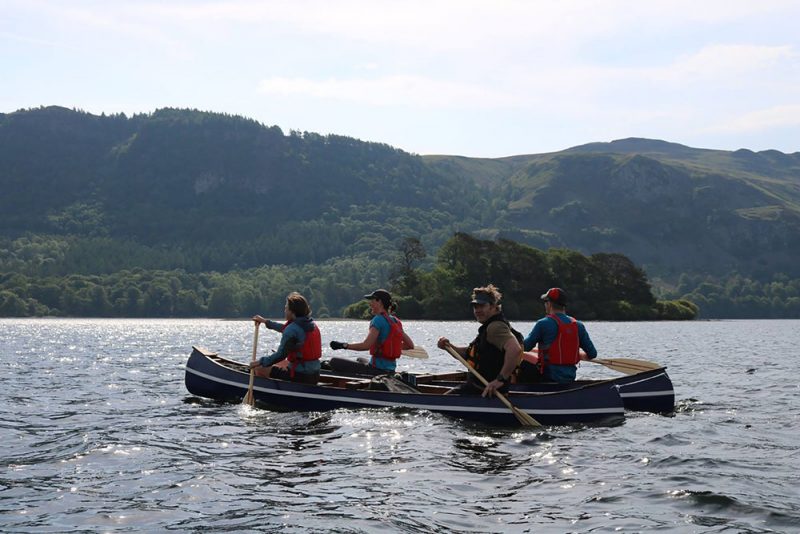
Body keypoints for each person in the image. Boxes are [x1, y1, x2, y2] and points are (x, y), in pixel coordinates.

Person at [436, 284, 524, 397]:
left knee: (434, 410)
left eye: (482, 306)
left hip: (485, 392)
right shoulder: (490, 326)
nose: (477, 310)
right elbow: (469, 355)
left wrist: (500, 380)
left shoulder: (495, 327)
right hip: (478, 390)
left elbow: (515, 350)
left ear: (493, 306)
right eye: (475, 307)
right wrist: (449, 347)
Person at [519, 287, 597, 384]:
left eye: (545, 302)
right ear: (564, 305)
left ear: (549, 304)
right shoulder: (578, 326)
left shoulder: (543, 323)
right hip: (569, 378)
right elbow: (592, 354)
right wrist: (576, 354)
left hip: (547, 377)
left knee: (523, 364)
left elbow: (525, 347)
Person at [329, 289, 414, 372]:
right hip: (390, 370)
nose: (370, 304)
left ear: (379, 302)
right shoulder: (395, 321)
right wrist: (390, 347)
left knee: (333, 362)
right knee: (360, 359)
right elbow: (410, 345)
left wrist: (343, 345)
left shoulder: (377, 320)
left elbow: (366, 346)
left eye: (372, 301)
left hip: (376, 369)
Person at [249, 292, 322, 384]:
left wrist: (259, 362)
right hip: (315, 375)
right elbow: (284, 328)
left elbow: (280, 355)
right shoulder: (311, 325)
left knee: (259, 368)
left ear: (292, 311)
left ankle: (270, 393)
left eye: (286, 308)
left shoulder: (292, 329)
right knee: (281, 363)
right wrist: (265, 321)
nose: (284, 311)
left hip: (299, 376)